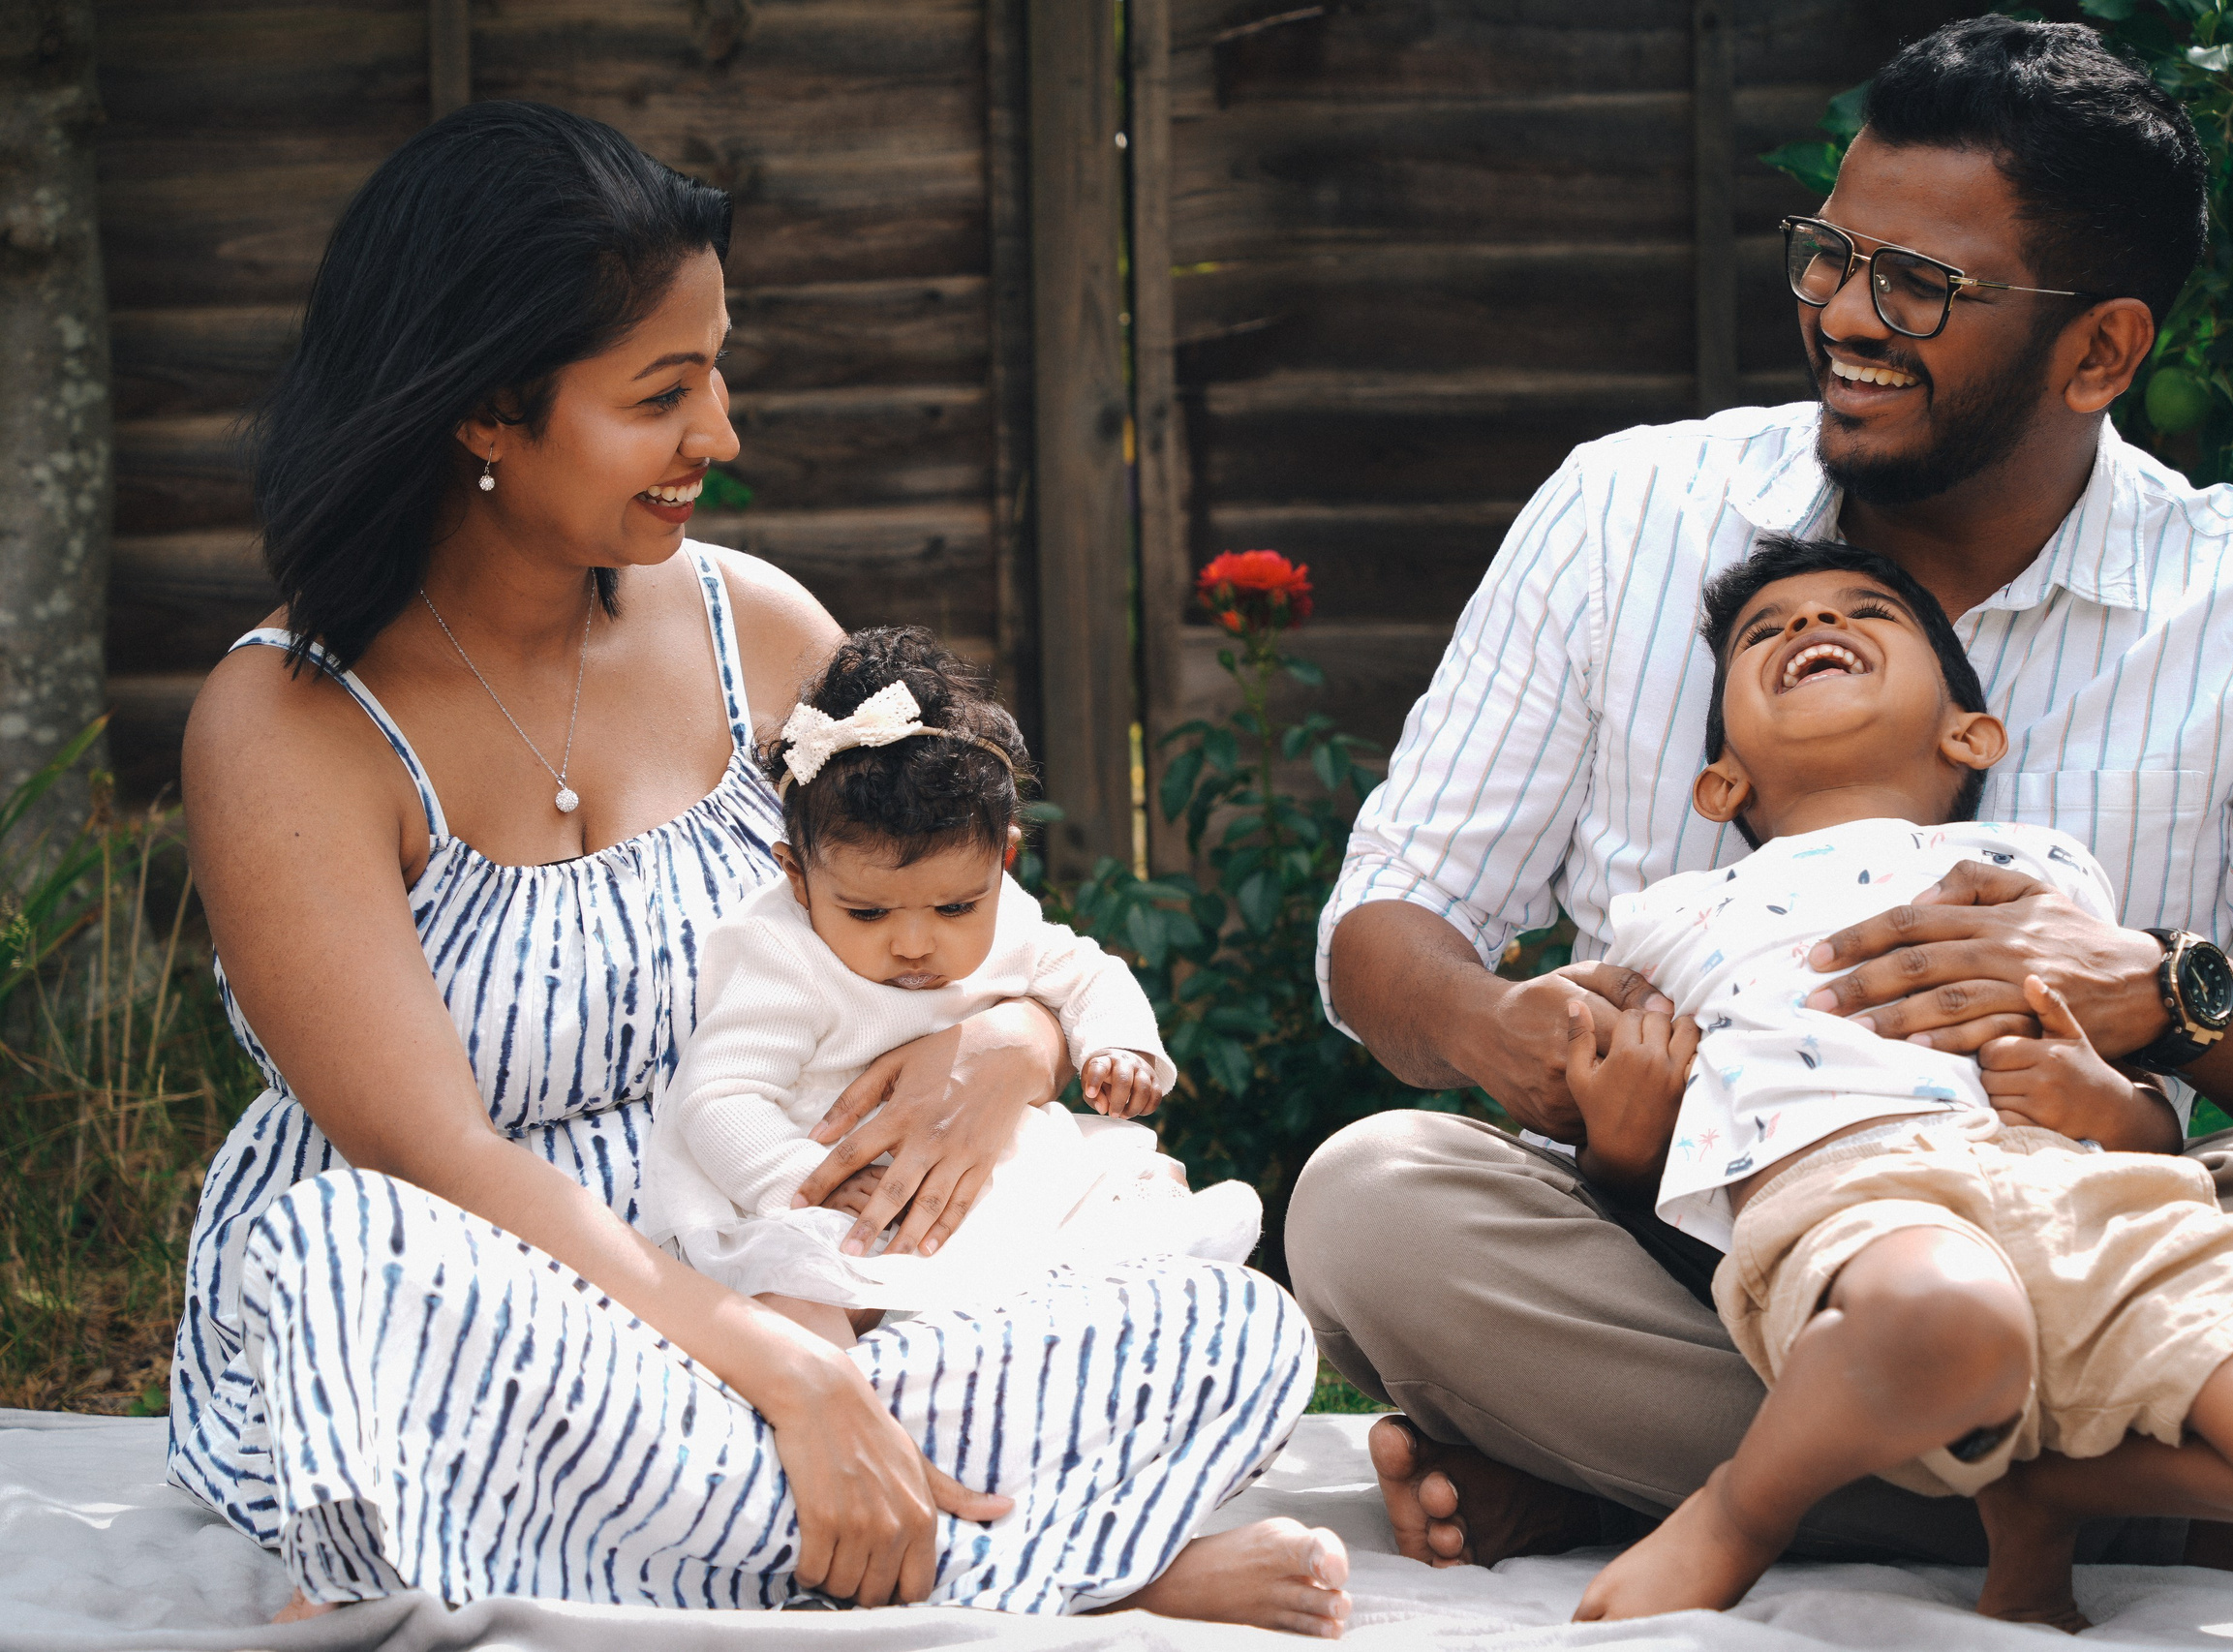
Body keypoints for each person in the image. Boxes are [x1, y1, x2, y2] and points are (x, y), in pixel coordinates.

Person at [1288, 14, 2233, 1620]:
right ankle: (2138, 1504)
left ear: (2102, 352)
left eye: (1919, 283)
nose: (1844, 313)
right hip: (1684, 1251)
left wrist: (2168, 999)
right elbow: (1387, 927)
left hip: (2083, 1253)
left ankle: (1630, 1484)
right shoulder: (1623, 513)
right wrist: (1516, 1041)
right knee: (1369, 1203)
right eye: (1831, 254)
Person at [173, 100, 1352, 1637]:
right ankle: (1031, 1559)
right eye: (664, 391)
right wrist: (776, 1367)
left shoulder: (760, 634)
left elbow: (964, 901)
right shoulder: (290, 720)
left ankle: (748, 1536)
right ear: (482, 411)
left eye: (719, 370)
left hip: (804, 1265)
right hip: (501, 1314)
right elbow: (434, 1159)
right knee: (342, 1259)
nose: (719, 434)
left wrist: (1021, 1035)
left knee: (1222, 1319)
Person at [1557, 535, 2233, 1630]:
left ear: (1968, 732)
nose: (1808, 626)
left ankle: (2053, 1489)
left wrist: (2095, 1096)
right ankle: (1741, 1509)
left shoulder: (2045, 870)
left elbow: (2136, 1124)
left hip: (2088, 1204)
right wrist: (1617, 1146)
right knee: (1947, 1321)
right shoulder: (1669, 915)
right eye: (1765, 630)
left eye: (1864, 611)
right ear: (1719, 780)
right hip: (1854, 1192)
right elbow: (1582, 1073)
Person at [640, 626, 1262, 1339]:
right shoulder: (781, 955)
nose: (913, 943)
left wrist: (1117, 1046)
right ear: (796, 877)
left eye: (955, 907)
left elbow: (1088, 973)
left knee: (1145, 1187)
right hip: (841, 1198)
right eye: (867, 912)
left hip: (987, 1167)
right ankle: (863, 1394)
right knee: (802, 1300)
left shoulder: (1009, 919)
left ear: (1003, 862)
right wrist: (804, 1177)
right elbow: (719, 1097)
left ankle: (1101, 1332)